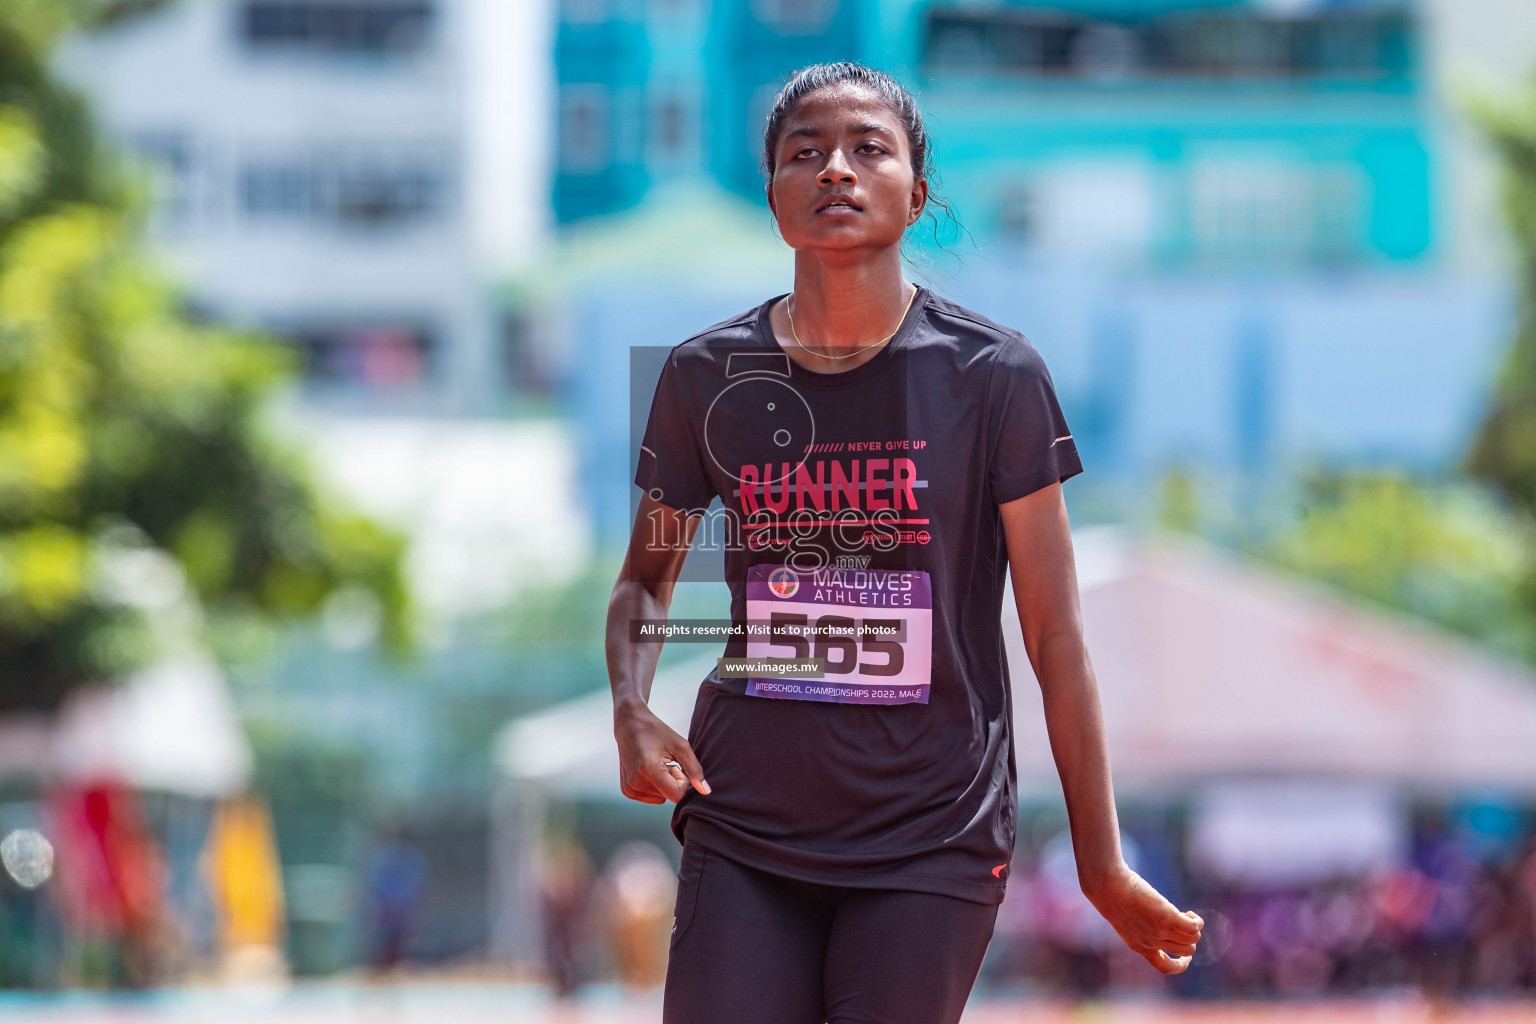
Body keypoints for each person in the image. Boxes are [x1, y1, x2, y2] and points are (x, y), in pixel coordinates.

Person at [605, 61, 1203, 1024]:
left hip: (932, 833)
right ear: (774, 196)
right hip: (747, 816)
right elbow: (644, 585)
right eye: (806, 154)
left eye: (866, 150)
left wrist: (1101, 862)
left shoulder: (993, 377)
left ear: (916, 194)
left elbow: (1055, 636)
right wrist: (631, 706)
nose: (835, 169)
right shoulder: (706, 378)